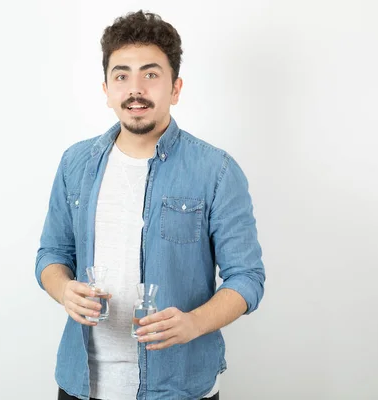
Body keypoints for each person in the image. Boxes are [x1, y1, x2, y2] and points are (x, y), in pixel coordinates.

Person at [35, 10, 265, 400]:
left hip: (179, 387)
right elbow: (52, 255)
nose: (135, 88)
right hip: (81, 383)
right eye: (122, 75)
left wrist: (193, 323)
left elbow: (247, 278)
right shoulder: (75, 163)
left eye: (151, 74)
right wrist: (64, 290)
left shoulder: (217, 171)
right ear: (106, 89)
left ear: (175, 89)